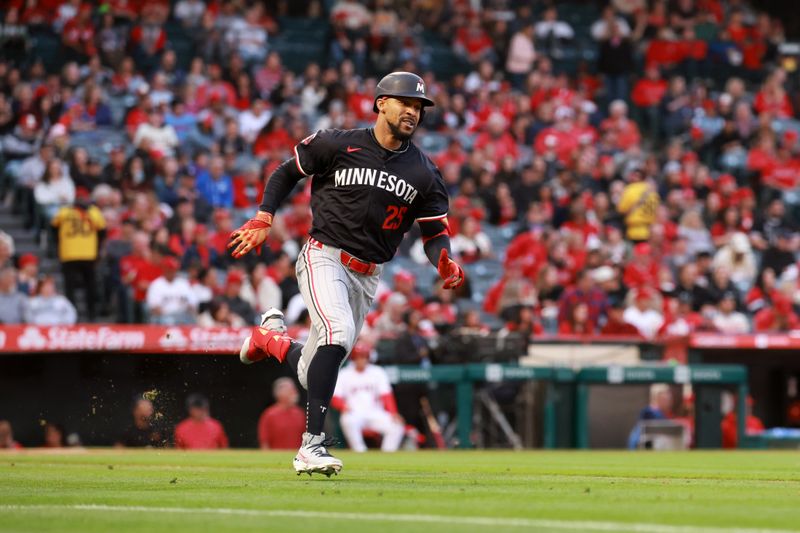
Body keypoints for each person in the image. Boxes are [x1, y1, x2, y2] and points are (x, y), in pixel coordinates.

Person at [229, 72, 464, 476]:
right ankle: (311, 446)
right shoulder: (338, 142)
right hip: (325, 255)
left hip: (368, 275)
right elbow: (286, 172)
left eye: (419, 106)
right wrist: (265, 216)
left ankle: (270, 341)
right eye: (404, 102)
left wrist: (443, 258)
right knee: (337, 334)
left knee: (312, 370)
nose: (412, 111)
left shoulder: (425, 171)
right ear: (380, 104)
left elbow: (434, 233)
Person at [331, 342, 405, 453]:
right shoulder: (344, 373)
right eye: (359, 357)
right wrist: (343, 406)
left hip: (374, 412)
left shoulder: (377, 372)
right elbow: (335, 397)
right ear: (353, 358)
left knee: (397, 426)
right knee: (347, 420)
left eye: (364, 356)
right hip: (354, 412)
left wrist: (393, 413)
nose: (361, 360)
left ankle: (387, 455)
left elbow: (386, 395)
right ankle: (360, 452)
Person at [51, 191, 106, 321]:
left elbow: (53, 228)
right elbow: (102, 232)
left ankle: (75, 316)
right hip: (86, 253)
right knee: (88, 286)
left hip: (70, 253)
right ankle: (89, 315)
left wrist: (60, 242)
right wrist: (97, 249)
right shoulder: (94, 212)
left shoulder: (64, 212)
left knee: (72, 287)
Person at [257, 377, 305, 450]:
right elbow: (264, 442)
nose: (295, 393)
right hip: (276, 459)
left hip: (298, 458)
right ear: (280, 394)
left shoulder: (300, 413)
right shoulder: (269, 415)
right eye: (291, 390)